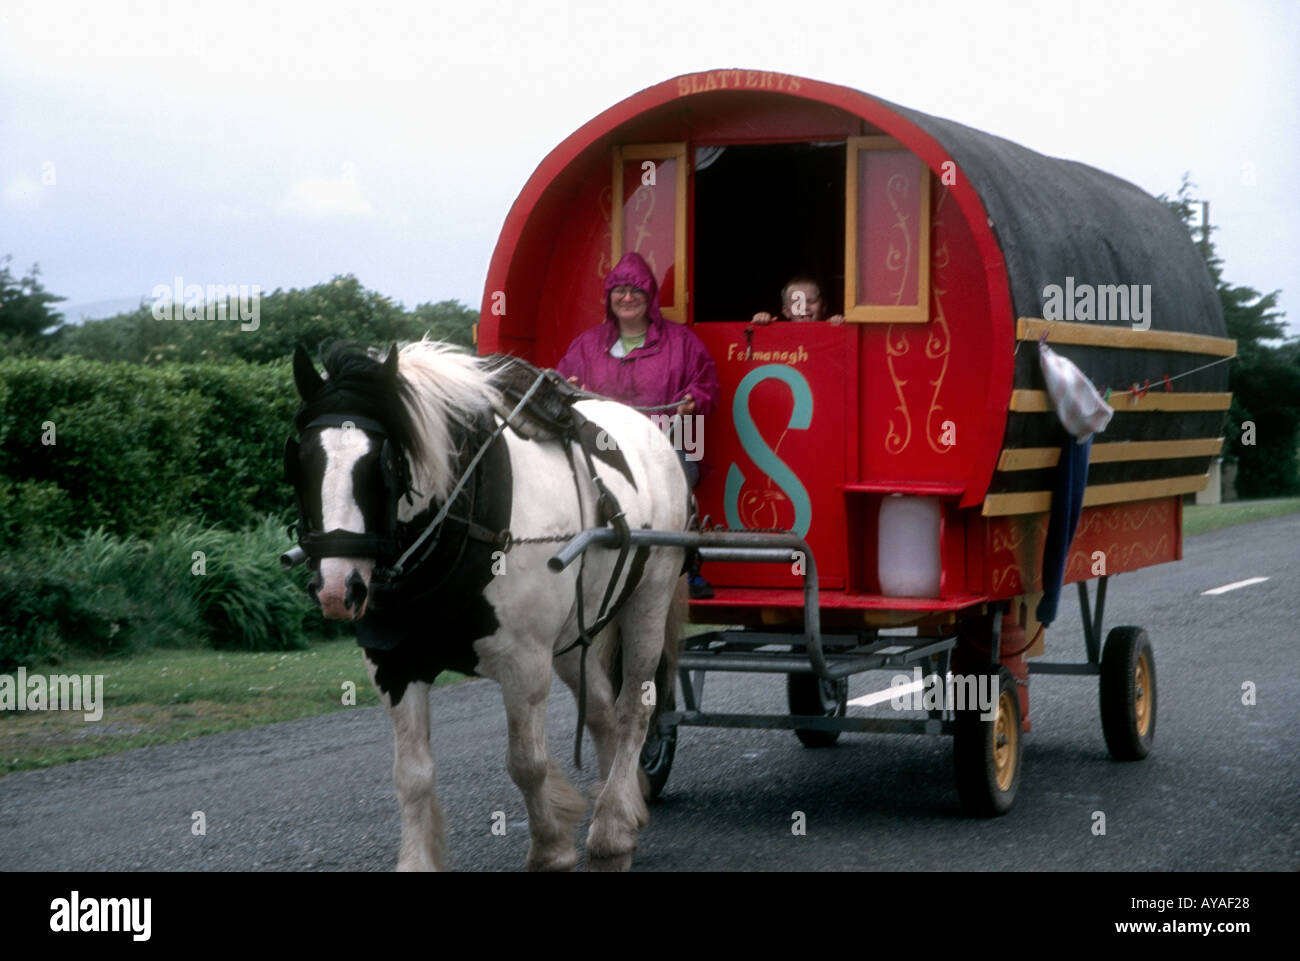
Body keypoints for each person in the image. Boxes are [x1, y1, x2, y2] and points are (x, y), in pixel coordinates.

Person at [557, 251, 719, 598]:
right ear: (609, 297)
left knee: (673, 478)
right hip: (601, 447)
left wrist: (693, 400)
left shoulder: (683, 343)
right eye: (619, 290)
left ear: (650, 297)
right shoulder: (585, 346)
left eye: (636, 290)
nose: (627, 298)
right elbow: (558, 388)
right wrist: (571, 392)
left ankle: (685, 565)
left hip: (667, 445)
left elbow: (706, 384)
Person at [751, 275, 845, 325]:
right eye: (798, 303)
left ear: (824, 307)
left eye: (811, 301)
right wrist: (761, 322)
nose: (805, 307)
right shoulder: (778, 333)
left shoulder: (831, 327)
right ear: (786, 311)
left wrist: (838, 325)